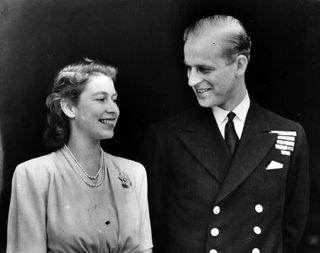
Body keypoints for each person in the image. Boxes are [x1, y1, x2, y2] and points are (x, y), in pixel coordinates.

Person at [141, 15, 309, 253]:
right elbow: (156, 229)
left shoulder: (290, 134)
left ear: (240, 65)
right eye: (188, 68)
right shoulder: (166, 137)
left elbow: (292, 230)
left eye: (204, 69)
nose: (192, 80)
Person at [7, 59, 153, 253]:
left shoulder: (133, 173)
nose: (113, 109)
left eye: (114, 99)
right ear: (69, 107)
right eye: (101, 99)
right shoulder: (34, 175)